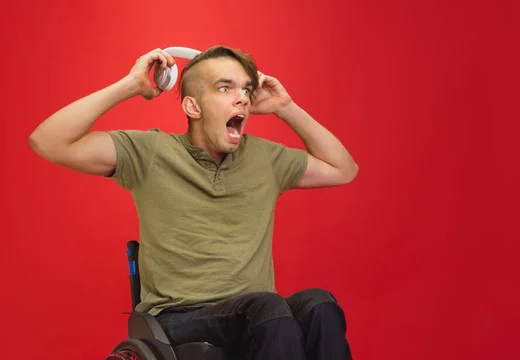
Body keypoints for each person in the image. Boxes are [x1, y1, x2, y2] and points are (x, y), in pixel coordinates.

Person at [29, 46, 358, 359]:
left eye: (246, 89)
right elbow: (49, 140)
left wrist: (286, 106)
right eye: (225, 88)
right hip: (177, 319)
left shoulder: (265, 158)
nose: (242, 97)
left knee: (319, 304)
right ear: (192, 107)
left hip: (255, 315)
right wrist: (130, 85)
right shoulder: (151, 152)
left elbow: (343, 169)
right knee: (268, 308)